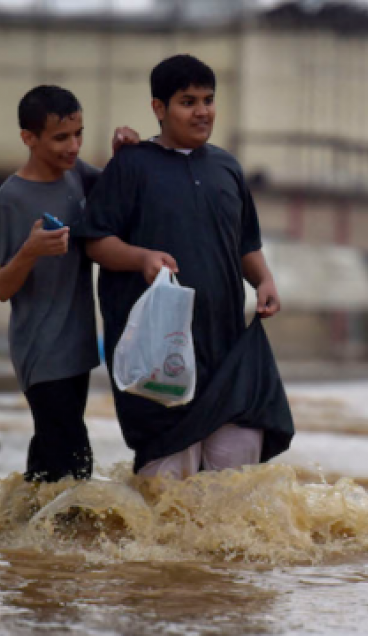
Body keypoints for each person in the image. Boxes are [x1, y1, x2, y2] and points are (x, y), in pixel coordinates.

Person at [79, 54, 294, 480]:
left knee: (233, 494)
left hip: (228, 351)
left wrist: (264, 279)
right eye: (187, 101)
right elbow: (96, 242)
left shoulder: (227, 168)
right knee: (165, 495)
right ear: (159, 109)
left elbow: (245, 243)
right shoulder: (131, 165)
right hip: (159, 355)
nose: (202, 111)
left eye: (208, 99)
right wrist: (142, 258)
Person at [0, 85, 139, 482]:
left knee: (49, 461)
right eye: (61, 137)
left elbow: (117, 193)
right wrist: (28, 251)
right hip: (41, 354)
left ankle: (21, 536)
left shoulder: (76, 175)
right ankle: (61, 537)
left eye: (79, 134)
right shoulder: (10, 199)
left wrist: (120, 152)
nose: (74, 145)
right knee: (74, 468)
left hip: (77, 349)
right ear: (28, 138)